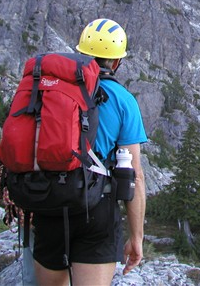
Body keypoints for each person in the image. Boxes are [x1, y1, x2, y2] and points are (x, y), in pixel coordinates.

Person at [32, 18, 148, 285]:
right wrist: (136, 237)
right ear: (117, 62)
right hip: (97, 209)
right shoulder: (123, 100)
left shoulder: (48, 88)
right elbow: (135, 175)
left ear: (81, 53)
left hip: (48, 202)